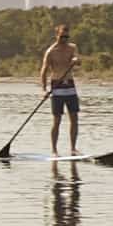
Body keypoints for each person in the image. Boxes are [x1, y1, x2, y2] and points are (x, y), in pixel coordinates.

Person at [41, 15, 83, 157]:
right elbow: (44, 71)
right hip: (56, 86)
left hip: (70, 86)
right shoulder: (50, 51)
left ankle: (73, 149)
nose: (65, 39)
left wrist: (76, 60)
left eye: (67, 37)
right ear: (56, 35)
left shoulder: (72, 48)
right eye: (62, 37)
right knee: (57, 120)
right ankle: (54, 150)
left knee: (74, 118)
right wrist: (44, 89)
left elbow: (78, 60)